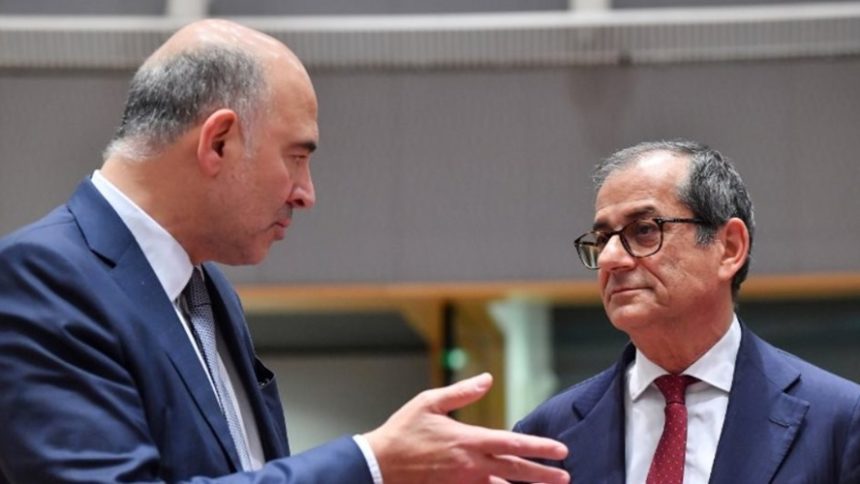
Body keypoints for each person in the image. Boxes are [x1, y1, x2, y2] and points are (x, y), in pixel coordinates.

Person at [0, 19, 570, 484]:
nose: (306, 193)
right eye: (297, 157)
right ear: (218, 141)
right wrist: (371, 463)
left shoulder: (205, 289)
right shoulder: (40, 277)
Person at [514, 140, 860, 483]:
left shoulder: (840, 422)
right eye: (603, 239)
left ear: (729, 247)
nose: (609, 258)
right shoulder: (544, 437)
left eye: (644, 230)